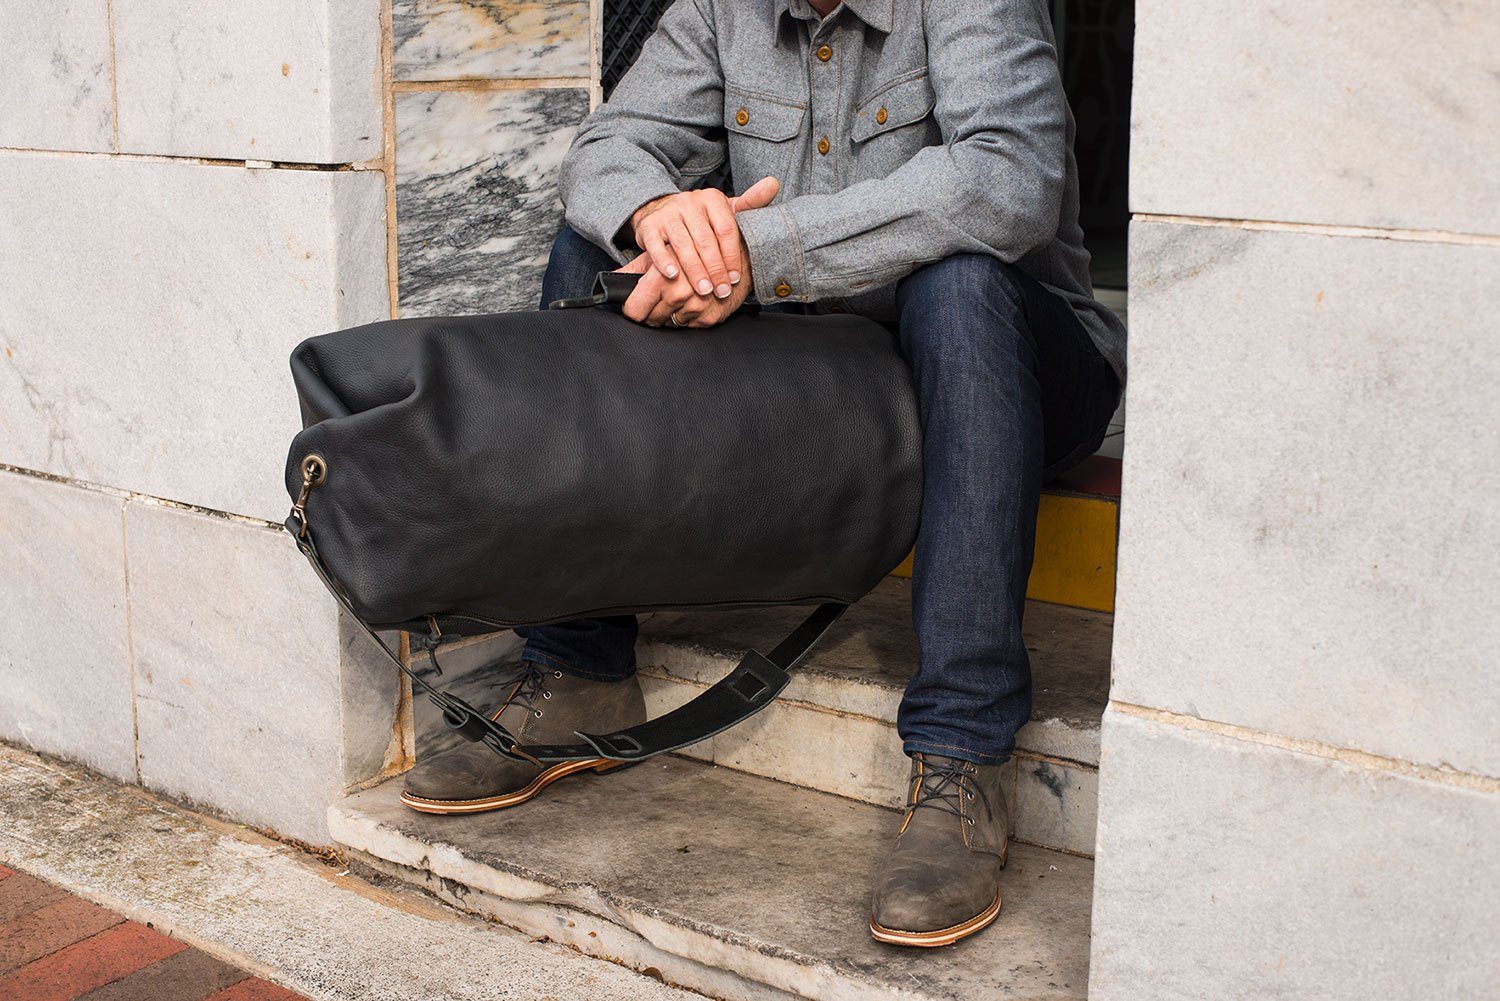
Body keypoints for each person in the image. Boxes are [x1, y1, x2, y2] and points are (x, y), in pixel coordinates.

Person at [400, 0, 1124, 948]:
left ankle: (964, 747)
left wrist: (761, 248)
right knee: (596, 243)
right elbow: (607, 145)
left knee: (962, 281)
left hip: (1014, 368)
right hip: (832, 378)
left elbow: (1007, 180)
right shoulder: (719, 9)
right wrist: (661, 216)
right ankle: (577, 662)